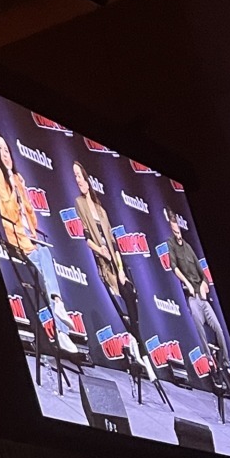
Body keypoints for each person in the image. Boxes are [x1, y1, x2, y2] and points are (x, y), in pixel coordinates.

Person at [0, 136, 78, 353]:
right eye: (1, 150)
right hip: (17, 238)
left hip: (31, 238)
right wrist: (14, 188)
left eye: (7, 150)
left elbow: (32, 218)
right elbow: (7, 209)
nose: (5, 154)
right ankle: (60, 316)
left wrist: (24, 193)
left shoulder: (18, 177)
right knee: (45, 257)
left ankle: (59, 318)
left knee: (45, 258)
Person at [71, 160, 153, 379]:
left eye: (80, 175)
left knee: (130, 293)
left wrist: (120, 267)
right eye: (75, 176)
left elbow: (114, 243)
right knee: (122, 299)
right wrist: (101, 251)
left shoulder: (101, 209)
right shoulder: (79, 203)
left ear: (87, 179)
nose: (78, 180)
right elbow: (87, 237)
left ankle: (138, 346)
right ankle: (141, 350)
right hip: (102, 263)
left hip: (116, 263)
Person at [166, 206, 230, 371]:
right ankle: (209, 359)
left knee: (219, 329)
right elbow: (174, 267)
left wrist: (204, 284)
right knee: (199, 327)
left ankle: (225, 362)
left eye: (178, 231)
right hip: (192, 297)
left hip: (202, 297)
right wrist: (187, 284)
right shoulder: (170, 244)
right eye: (174, 231)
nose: (177, 235)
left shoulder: (189, 248)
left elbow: (203, 275)